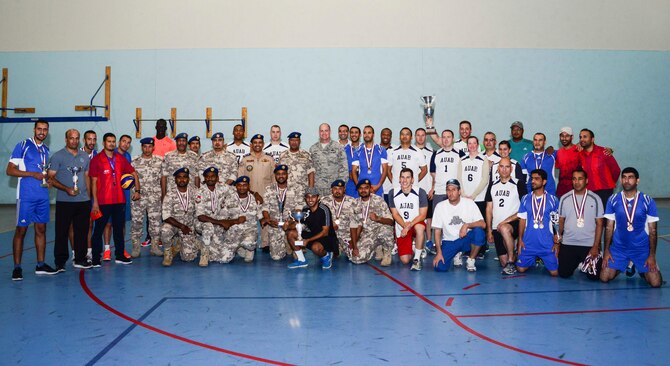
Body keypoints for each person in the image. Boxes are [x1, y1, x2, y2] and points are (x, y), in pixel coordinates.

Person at [7, 120, 56, 280]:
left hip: (42, 197)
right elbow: (10, 170)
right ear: (34, 129)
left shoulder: (45, 150)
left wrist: (49, 181)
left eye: (45, 129)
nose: (42, 132)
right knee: (21, 230)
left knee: (41, 230)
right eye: (39, 129)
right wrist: (31, 174)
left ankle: (40, 265)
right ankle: (17, 268)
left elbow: (44, 171)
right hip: (26, 196)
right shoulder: (22, 145)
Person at [600, 167, 662, 288]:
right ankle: (625, 265)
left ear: (637, 181)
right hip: (619, 248)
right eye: (624, 177)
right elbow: (608, 228)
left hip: (641, 249)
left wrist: (652, 256)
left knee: (656, 283)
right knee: (604, 277)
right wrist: (606, 251)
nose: (626, 180)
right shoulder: (613, 199)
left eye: (630, 177)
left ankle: (640, 268)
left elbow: (653, 231)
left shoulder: (647, 200)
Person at [89, 133, 140, 267]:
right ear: (104, 142)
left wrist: (137, 189)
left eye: (113, 141)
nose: (111, 144)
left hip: (119, 200)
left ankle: (119, 256)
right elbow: (93, 182)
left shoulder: (121, 159)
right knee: (98, 230)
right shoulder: (96, 159)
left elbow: (133, 173)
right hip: (103, 201)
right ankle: (95, 258)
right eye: (109, 141)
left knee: (118, 229)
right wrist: (94, 202)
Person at [48, 129, 92, 270]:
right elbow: (50, 178)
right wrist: (66, 189)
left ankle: (80, 259)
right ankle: (60, 262)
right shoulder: (57, 156)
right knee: (62, 232)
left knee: (82, 231)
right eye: (71, 138)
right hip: (64, 201)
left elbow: (87, 177)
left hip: (83, 201)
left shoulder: (85, 156)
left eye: (76, 138)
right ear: (66, 139)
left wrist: (89, 197)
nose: (74, 140)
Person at [557, 169, 604, 279]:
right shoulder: (564, 198)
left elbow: (600, 224)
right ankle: (578, 262)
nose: (577, 182)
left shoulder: (595, 199)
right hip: (569, 243)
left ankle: (585, 262)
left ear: (586, 181)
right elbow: (561, 221)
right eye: (574, 179)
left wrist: (596, 247)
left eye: (580, 179)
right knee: (564, 274)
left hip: (588, 245)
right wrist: (558, 242)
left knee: (594, 277)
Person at [432, 179, 486, 272]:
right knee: (440, 267)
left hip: (465, 239)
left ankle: (471, 259)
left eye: (454, 190)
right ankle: (456, 253)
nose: (451, 193)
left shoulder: (469, 203)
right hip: (449, 241)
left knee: (479, 232)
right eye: (448, 190)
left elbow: (483, 224)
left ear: (459, 191)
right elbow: (437, 231)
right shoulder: (440, 206)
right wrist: (439, 252)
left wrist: (467, 225)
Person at [485, 157, 526, 275]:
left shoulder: (519, 183)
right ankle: (512, 256)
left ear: (511, 168)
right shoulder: (492, 185)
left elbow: (524, 208)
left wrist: (505, 221)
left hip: (514, 222)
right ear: (498, 168)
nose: (504, 169)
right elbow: (489, 208)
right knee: (502, 262)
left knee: (504, 228)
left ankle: (511, 262)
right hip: (496, 226)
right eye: (501, 166)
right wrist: (489, 230)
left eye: (507, 166)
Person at [516, 169, 560, 276]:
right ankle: (533, 258)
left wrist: (557, 243)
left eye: (537, 179)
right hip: (529, 243)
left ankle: (543, 258)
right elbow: (522, 220)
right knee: (520, 269)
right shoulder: (525, 198)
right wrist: (520, 240)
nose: (533, 181)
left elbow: (556, 222)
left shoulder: (553, 200)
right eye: (532, 179)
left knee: (554, 273)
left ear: (544, 182)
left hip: (546, 244)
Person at [285, 187, 338, 269]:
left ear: (318, 198)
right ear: (305, 198)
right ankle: (301, 260)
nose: (310, 199)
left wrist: (308, 240)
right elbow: (299, 224)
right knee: (291, 233)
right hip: (312, 234)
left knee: (316, 248)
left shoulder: (324, 209)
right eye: (308, 197)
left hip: (327, 238)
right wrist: (288, 225)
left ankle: (326, 255)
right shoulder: (305, 209)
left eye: (313, 197)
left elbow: (325, 232)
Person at [129, 137, 164, 257]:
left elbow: (163, 179)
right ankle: (136, 248)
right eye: (145, 146)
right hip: (138, 198)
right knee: (136, 223)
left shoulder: (160, 161)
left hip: (155, 198)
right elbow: (129, 179)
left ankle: (154, 247)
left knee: (155, 224)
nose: (147, 149)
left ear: (153, 147)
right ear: (141, 147)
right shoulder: (134, 161)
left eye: (150, 146)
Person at [428, 129, 461, 254]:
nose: (446, 139)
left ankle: (457, 248)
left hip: (454, 192)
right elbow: (433, 174)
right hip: (440, 191)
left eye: (449, 137)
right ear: (441, 139)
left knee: (454, 219)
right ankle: (438, 246)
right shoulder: (436, 154)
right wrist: (433, 188)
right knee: (438, 220)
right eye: (444, 137)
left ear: (453, 139)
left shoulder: (460, 153)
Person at [388, 168, 428, 270]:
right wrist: (405, 227)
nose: (405, 180)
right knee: (405, 261)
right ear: (399, 179)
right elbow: (395, 214)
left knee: (420, 228)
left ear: (412, 180)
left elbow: (423, 215)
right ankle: (416, 246)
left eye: (408, 177)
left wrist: (409, 226)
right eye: (402, 177)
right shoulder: (392, 193)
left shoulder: (421, 192)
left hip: (416, 223)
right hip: (402, 226)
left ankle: (417, 259)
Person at [349, 179, 395, 265]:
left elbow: (391, 222)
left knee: (386, 230)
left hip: (380, 230)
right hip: (366, 234)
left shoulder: (379, 200)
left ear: (370, 189)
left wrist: (378, 219)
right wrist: (355, 247)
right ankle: (376, 247)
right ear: (358, 190)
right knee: (356, 259)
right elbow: (353, 227)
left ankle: (386, 252)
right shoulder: (354, 204)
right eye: (361, 188)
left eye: (366, 188)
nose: (363, 190)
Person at [195, 167, 234, 267]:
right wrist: (220, 222)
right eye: (207, 177)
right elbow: (200, 217)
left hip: (217, 224)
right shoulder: (200, 192)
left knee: (217, 257)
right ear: (204, 178)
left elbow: (239, 189)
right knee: (208, 227)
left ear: (217, 178)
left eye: (213, 176)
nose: (210, 179)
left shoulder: (223, 187)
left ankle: (202, 243)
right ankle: (204, 255)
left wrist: (254, 193)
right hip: (203, 224)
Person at [161, 168, 199, 266]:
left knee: (188, 258)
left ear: (188, 179)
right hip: (174, 225)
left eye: (185, 177)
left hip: (189, 226)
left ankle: (180, 244)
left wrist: (194, 229)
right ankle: (168, 252)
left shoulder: (195, 192)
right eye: (179, 177)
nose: (182, 180)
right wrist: (182, 226)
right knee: (165, 230)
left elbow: (200, 211)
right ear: (175, 179)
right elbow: (166, 216)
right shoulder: (170, 194)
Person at [219, 176, 262, 263]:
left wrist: (267, 220)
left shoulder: (255, 200)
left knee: (248, 256)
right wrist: (235, 221)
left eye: (245, 185)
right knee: (224, 260)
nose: (242, 187)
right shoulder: (229, 199)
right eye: (239, 185)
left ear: (248, 186)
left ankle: (249, 249)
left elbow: (260, 217)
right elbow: (222, 220)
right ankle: (239, 248)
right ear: (236, 186)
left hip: (249, 233)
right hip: (233, 234)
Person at [261, 165, 299, 260]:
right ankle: (286, 245)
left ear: (287, 175)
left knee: (297, 257)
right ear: (275, 175)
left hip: (291, 225)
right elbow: (265, 208)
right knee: (276, 257)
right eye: (278, 174)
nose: (281, 176)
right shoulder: (269, 189)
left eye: (283, 174)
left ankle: (290, 244)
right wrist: (268, 220)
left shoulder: (296, 188)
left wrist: (290, 221)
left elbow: (299, 208)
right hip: (275, 225)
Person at [578, 128, 621, 206]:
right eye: (580, 137)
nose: (582, 139)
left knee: (605, 216)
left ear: (592, 139)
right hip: (589, 192)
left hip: (605, 191)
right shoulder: (580, 155)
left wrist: (609, 183)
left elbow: (616, 170)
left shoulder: (604, 152)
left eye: (585, 137)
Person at [309, 123, 349, 197]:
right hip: (318, 190)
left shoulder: (338, 147)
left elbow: (344, 169)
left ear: (330, 132)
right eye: (322, 131)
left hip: (334, 189)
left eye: (326, 130)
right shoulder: (313, 149)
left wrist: (340, 187)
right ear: (319, 132)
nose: (324, 133)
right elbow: (310, 170)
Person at [321, 179, 359, 256]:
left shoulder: (352, 201)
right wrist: (331, 227)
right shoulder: (324, 201)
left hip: (347, 236)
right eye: (335, 188)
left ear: (344, 189)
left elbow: (357, 223)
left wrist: (354, 242)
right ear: (331, 190)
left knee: (356, 257)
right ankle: (335, 249)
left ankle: (343, 248)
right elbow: (319, 219)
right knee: (323, 253)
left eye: (340, 188)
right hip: (330, 236)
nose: (337, 191)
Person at [279, 132, 315, 210]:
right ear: (289, 141)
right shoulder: (283, 155)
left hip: (302, 193)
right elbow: (279, 175)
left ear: (300, 141)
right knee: (286, 215)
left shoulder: (306, 155)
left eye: (296, 140)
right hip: (287, 193)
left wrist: (311, 190)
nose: (294, 142)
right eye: (292, 140)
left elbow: (311, 173)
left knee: (302, 216)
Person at [351, 126, 389, 198]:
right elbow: (353, 171)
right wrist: (359, 186)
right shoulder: (357, 151)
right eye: (365, 133)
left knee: (377, 208)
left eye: (369, 133)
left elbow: (385, 170)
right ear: (362, 135)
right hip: (362, 188)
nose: (367, 135)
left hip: (377, 187)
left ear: (373, 135)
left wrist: (378, 185)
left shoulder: (381, 150)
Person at [458, 136, 490, 220]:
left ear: (478, 145)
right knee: (465, 222)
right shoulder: (462, 159)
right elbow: (459, 178)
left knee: (479, 223)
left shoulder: (484, 159)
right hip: (464, 198)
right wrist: (463, 194)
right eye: (470, 143)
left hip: (479, 198)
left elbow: (485, 180)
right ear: (467, 145)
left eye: (474, 143)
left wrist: (474, 195)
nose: (472, 145)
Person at [162, 132, 199, 198]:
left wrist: (198, 194)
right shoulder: (168, 156)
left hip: (190, 194)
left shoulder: (194, 156)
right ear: (176, 142)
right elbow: (164, 177)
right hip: (172, 193)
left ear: (187, 143)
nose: (181, 143)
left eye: (183, 141)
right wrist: (164, 195)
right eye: (179, 141)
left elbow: (196, 176)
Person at [555, 127, 581, 197]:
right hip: (561, 189)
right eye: (562, 136)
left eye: (567, 136)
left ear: (572, 137)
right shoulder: (559, 152)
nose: (564, 139)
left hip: (576, 189)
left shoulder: (579, 150)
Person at [343, 126, 362, 197]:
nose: (354, 134)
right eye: (352, 132)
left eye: (356, 132)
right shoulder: (344, 149)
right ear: (349, 134)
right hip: (349, 184)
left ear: (360, 135)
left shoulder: (364, 149)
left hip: (362, 182)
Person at [379, 127, 395, 202]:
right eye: (384, 134)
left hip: (391, 189)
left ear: (391, 137)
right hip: (377, 189)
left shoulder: (396, 150)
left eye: (388, 135)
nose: (386, 136)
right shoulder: (375, 149)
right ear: (380, 136)